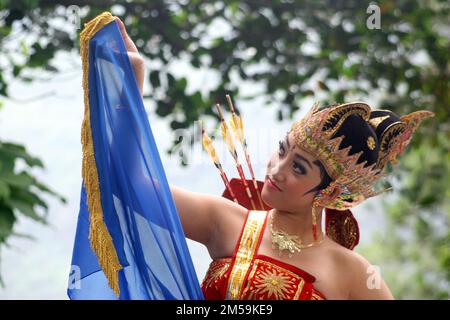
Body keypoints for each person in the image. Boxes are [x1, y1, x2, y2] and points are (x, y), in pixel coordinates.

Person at [114, 17, 434, 300]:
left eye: (298, 167)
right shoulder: (226, 222)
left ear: (332, 192)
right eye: (282, 150)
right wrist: (132, 88)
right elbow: (128, 185)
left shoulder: (351, 272)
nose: (277, 170)